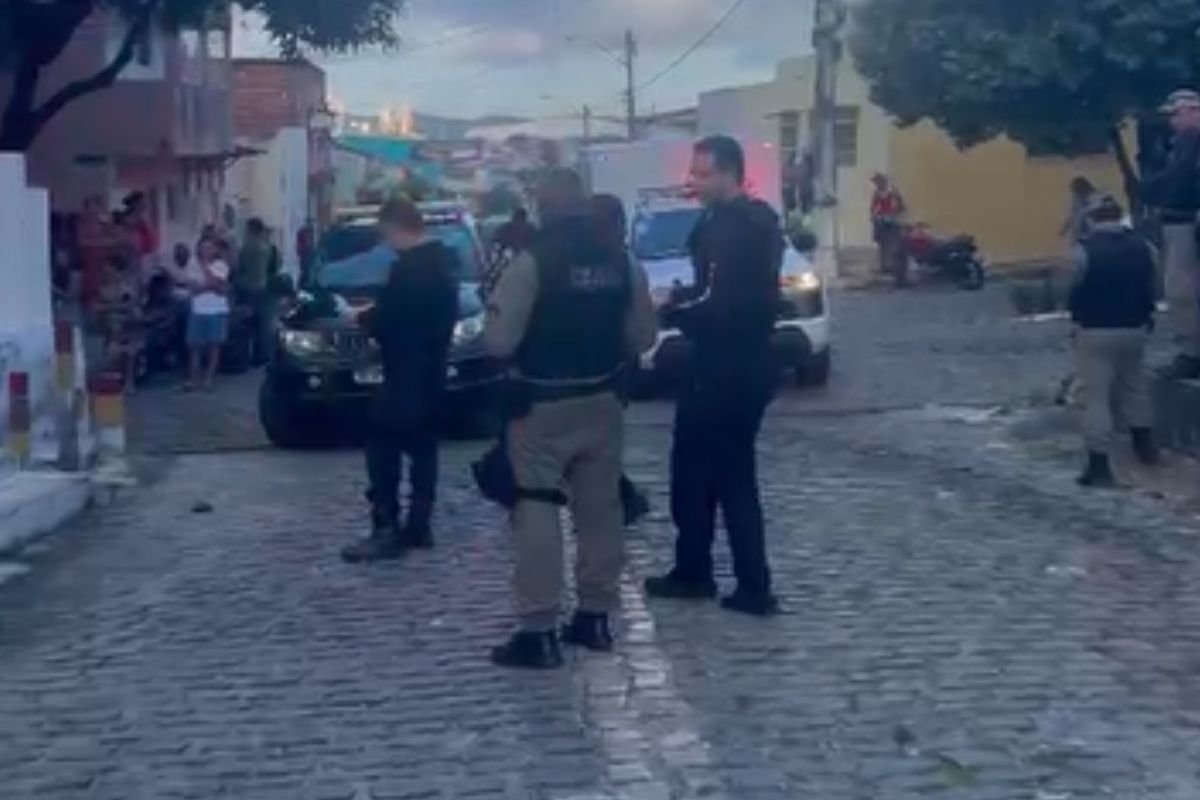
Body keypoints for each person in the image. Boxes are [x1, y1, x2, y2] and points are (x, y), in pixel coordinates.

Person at [483, 168, 656, 669]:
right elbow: (644, 335)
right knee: (601, 508)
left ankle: (538, 628)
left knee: (536, 502)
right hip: (603, 398)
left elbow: (499, 341)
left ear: (543, 207)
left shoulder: (533, 263)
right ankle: (595, 616)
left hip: (542, 402)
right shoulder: (620, 260)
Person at [643, 135, 783, 617]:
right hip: (746, 363)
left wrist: (672, 309)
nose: (695, 182)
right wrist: (686, 298)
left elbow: (717, 299)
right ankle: (705, 570)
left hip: (722, 366)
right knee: (710, 473)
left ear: (729, 174)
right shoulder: (759, 221)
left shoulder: (730, 226)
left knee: (718, 476)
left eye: (703, 174)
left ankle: (741, 584)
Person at [341, 197, 460, 564]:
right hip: (433, 373)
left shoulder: (409, 269)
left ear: (395, 227)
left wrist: (364, 319)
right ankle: (419, 524)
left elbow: (392, 320)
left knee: (383, 450)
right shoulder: (444, 266)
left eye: (386, 234)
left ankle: (386, 527)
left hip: (404, 373)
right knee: (424, 452)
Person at [1068, 194, 1160, 488]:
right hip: (1135, 327)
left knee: (1095, 398)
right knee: (1135, 386)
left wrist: (1075, 318)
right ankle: (1145, 447)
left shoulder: (1084, 250)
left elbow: (1071, 287)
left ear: (1092, 219)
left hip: (1095, 329)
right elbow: (1153, 285)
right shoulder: (1144, 247)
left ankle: (1099, 465)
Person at [589, 192, 653, 527]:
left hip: (567, 377)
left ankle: (615, 499)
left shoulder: (556, 262)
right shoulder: (626, 264)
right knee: (602, 447)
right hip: (613, 374)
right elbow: (644, 333)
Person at [1144, 89, 1200, 380]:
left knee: (1182, 292)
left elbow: (1178, 181)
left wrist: (1154, 188)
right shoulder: (1178, 143)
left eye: (1177, 114)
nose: (1172, 121)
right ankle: (1190, 351)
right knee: (1180, 292)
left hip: (1187, 221)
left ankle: (1192, 354)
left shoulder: (1190, 143)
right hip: (1178, 221)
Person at [184, 236, 231, 391]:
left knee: (213, 346)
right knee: (195, 346)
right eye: (203, 247)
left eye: (210, 248)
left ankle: (209, 379)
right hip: (198, 310)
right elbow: (193, 287)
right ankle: (193, 379)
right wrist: (213, 287)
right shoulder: (192, 264)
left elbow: (216, 283)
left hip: (216, 310)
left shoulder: (221, 265)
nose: (206, 251)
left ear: (215, 250)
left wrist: (206, 270)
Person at [233, 218, 276, 366]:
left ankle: (244, 355)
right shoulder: (267, 247)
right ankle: (262, 355)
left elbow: (240, 267)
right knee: (262, 324)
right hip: (262, 287)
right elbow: (273, 267)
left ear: (251, 229)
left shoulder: (247, 247)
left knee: (245, 323)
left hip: (247, 287)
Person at [870, 172, 907, 280]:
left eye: (878, 182)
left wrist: (893, 214)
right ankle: (885, 265)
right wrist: (875, 216)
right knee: (883, 244)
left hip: (892, 221)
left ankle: (893, 266)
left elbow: (900, 206)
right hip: (882, 221)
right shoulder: (877, 193)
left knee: (892, 244)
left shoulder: (892, 192)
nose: (877, 184)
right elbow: (874, 207)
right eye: (876, 182)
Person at [1060, 176, 1098, 246]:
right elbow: (1072, 214)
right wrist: (1065, 228)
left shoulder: (1095, 198)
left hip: (1091, 233)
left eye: (1075, 190)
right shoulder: (1076, 198)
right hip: (1080, 233)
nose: (1075, 193)